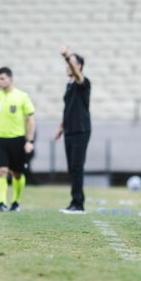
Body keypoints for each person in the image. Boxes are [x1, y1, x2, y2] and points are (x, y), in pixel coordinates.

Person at [0, 67, 35, 212]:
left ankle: (16, 201)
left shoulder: (22, 96)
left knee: (17, 174)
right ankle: (2, 202)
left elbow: (30, 120)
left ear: (10, 79)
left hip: (17, 140)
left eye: (2, 78)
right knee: (0, 171)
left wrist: (29, 141)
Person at [55, 46, 92, 214]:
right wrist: (60, 128)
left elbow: (78, 75)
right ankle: (75, 201)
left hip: (80, 130)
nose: (67, 66)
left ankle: (78, 204)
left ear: (79, 66)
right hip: (69, 130)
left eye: (70, 63)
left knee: (77, 166)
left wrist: (66, 56)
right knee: (72, 167)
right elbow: (68, 109)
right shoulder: (68, 85)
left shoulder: (83, 82)